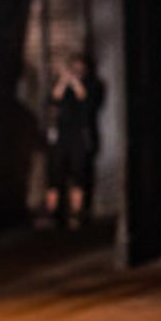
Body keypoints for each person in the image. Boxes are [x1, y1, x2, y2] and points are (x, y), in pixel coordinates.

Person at [42, 54, 100, 229]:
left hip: (79, 137)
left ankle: (77, 214)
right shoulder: (62, 87)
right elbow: (53, 99)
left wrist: (75, 81)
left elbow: (85, 98)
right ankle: (52, 214)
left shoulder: (91, 86)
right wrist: (63, 80)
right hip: (61, 137)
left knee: (78, 175)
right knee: (55, 174)